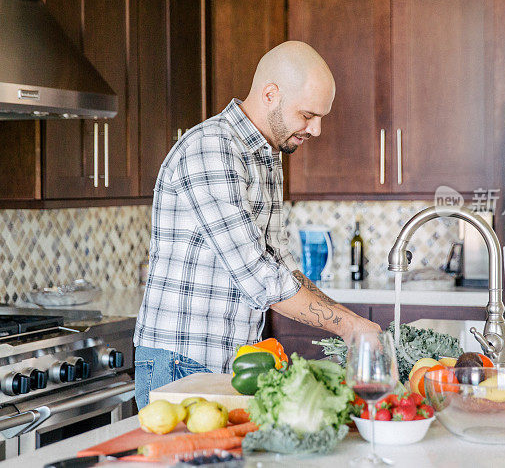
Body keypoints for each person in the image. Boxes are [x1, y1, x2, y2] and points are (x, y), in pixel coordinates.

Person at [133, 41, 381, 408]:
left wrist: (352, 320)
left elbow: (279, 265)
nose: (316, 130)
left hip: (229, 364)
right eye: (308, 115)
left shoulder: (266, 157)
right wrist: (348, 326)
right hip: (180, 365)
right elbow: (258, 276)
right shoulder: (212, 149)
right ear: (270, 94)